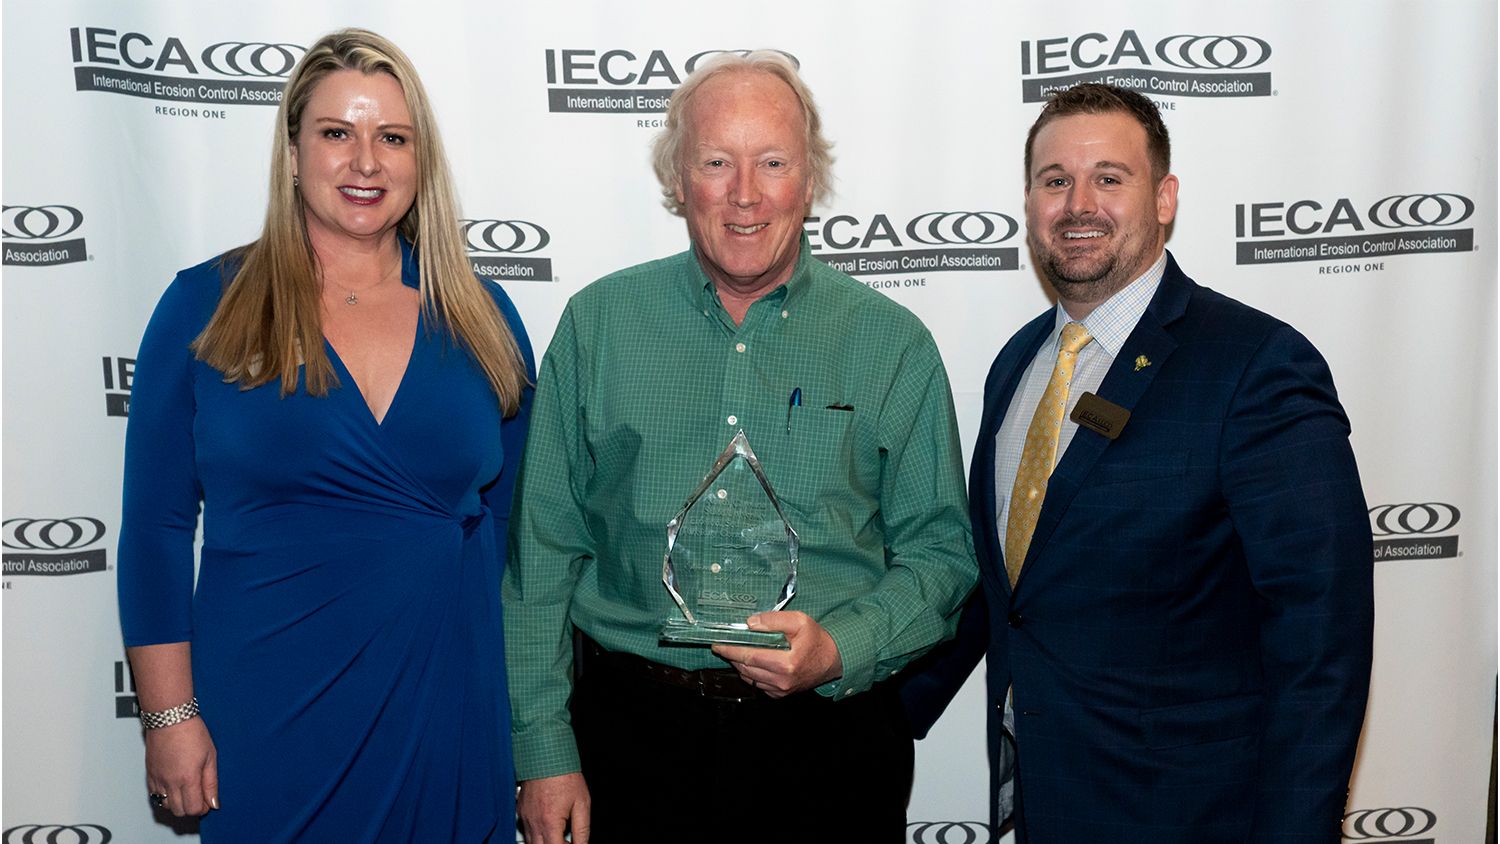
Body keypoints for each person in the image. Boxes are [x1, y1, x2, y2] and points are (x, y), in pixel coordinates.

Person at [503, 51, 975, 844]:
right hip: (628, 745)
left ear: (810, 180)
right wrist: (545, 749)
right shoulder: (598, 326)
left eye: (773, 162)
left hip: (831, 748)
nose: (745, 193)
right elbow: (544, 555)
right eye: (717, 162)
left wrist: (840, 649)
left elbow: (941, 556)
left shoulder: (893, 346)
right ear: (679, 181)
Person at [900, 83, 1373, 843]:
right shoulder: (1017, 364)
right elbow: (1007, 590)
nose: (1078, 203)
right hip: (1043, 805)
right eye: (1056, 180)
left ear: (1164, 198)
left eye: (1109, 178)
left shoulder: (1256, 365)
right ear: (1029, 203)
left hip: (1195, 817)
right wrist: (858, 713)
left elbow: (1322, 641)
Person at [117, 28, 534, 842]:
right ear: (294, 150)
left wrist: (532, 734)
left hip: (448, 706)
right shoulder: (206, 306)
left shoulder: (483, 317)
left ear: (422, 159)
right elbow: (159, 531)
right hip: (270, 712)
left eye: (393, 137)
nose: (365, 162)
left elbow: (519, 536)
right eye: (337, 133)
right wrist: (169, 716)